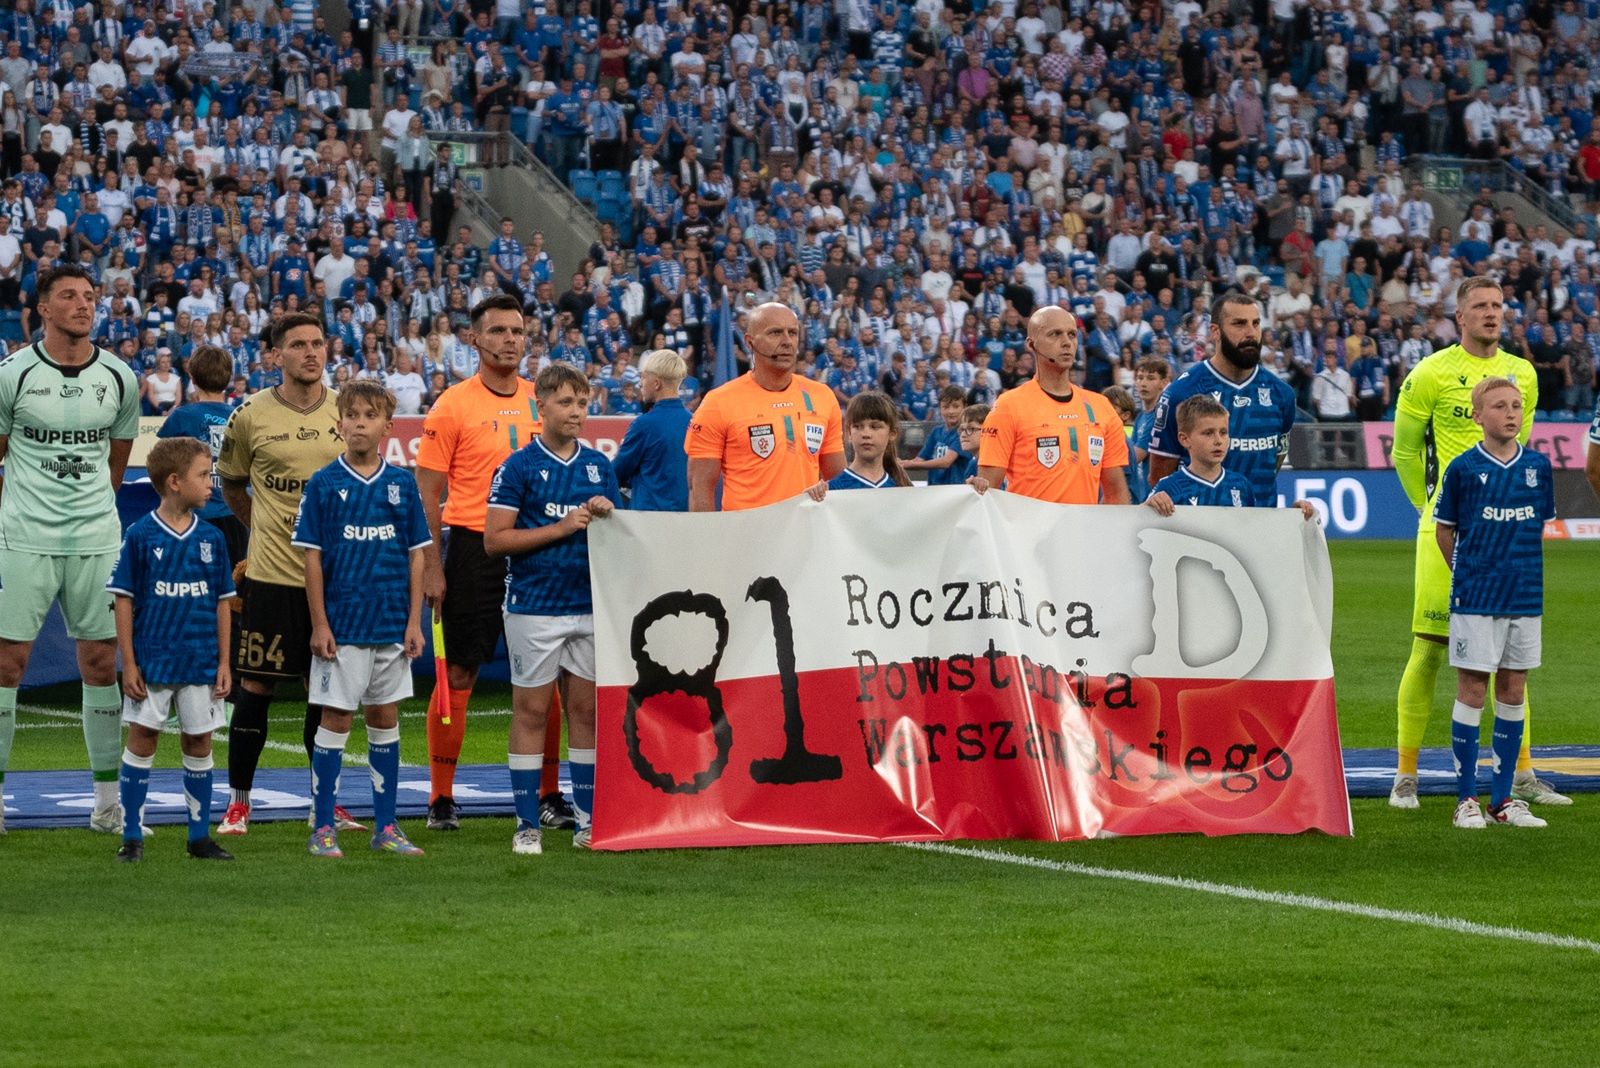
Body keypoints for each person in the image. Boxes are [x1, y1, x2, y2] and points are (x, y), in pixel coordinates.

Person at [1386, 277, 1566, 809]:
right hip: (1445, 535)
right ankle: (1406, 776)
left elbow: (1522, 447)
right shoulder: (1430, 374)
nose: (1491, 314)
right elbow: (1402, 453)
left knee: (1513, 658)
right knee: (1429, 650)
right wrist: (1431, 511)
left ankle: (1523, 776)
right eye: (1480, 307)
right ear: (1459, 316)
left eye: (1498, 306)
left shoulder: (1524, 375)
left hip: (1504, 537)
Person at [414, 294, 576, 832]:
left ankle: (550, 795)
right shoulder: (452, 405)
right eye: (499, 331)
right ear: (475, 339)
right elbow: (427, 491)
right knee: (459, 669)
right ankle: (440, 798)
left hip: (539, 549)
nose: (510, 339)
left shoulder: (544, 401)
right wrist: (434, 566)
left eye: (517, 330)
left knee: (545, 677)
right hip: (471, 547)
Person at [0, 265, 140, 836]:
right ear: (43, 310)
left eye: (89, 296)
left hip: (96, 539)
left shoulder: (119, 377)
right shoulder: (11, 375)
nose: (83, 305)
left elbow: (117, 460)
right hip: (23, 537)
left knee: (102, 663)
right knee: (8, 663)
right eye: (69, 297)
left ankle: (108, 805)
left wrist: (89, 513)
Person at [213, 312, 356, 836]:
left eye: (318, 343)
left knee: (328, 691)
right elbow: (231, 485)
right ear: (276, 355)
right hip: (272, 576)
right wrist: (263, 530)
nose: (311, 353)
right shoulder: (250, 415)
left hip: (337, 578)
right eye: (298, 345)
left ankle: (327, 803)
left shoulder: (348, 410)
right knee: (256, 685)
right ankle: (238, 804)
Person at [484, 364, 620, 853]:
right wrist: (564, 527)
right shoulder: (517, 467)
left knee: (585, 711)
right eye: (566, 402)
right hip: (534, 607)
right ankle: (526, 824)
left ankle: (587, 821)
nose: (577, 412)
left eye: (583, 403)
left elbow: (618, 534)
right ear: (541, 405)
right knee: (532, 711)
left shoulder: (599, 465)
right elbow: (495, 541)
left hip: (586, 605)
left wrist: (608, 514)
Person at [293, 382, 431, 858]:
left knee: (385, 716)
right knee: (335, 718)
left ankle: (387, 825)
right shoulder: (324, 485)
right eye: (350, 415)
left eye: (368, 415)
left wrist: (414, 621)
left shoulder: (402, 483)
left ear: (386, 428)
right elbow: (311, 559)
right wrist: (320, 623)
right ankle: (323, 826)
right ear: (338, 424)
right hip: (344, 626)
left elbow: (416, 556)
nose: (358, 423)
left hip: (391, 623)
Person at [1432, 377, 1554, 830]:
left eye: (1516, 405)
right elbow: (1446, 529)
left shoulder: (1538, 467)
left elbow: (1536, 526)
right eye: (1499, 406)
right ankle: (1465, 799)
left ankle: (1502, 802)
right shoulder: (1463, 469)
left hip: (1524, 595)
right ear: (1478, 415)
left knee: (1514, 689)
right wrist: (1466, 574)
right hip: (1476, 597)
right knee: (1472, 690)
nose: (1510, 413)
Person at [108, 437, 236, 862]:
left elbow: (223, 602)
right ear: (175, 482)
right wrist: (128, 662)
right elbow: (123, 599)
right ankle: (131, 836)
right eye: (204, 475)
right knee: (143, 737)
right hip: (154, 660)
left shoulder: (213, 539)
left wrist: (223, 661)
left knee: (199, 742)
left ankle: (198, 837)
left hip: (200, 661)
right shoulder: (141, 535)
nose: (211, 484)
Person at [686, 301, 844, 511]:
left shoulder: (822, 396)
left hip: (804, 534)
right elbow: (700, 489)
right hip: (747, 537)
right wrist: (708, 541)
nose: (787, 341)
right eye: (775, 333)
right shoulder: (718, 403)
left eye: (793, 333)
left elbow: (839, 482)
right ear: (750, 343)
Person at [1147, 292, 1298, 507]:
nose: (1251, 333)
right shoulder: (1181, 393)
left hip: (1261, 529)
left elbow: (1274, 462)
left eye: (1255, 324)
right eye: (1239, 324)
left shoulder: (1281, 394)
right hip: (1200, 530)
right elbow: (1159, 477)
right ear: (1215, 331)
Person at [973, 306, 1131, 504]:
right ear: (1031, 345)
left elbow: (1116, 494)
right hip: (1029, 532)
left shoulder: (1101, 406)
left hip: (1081, 534)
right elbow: (987, 491)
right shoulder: (1008, 406)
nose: (1066, 342)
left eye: (1072, 335)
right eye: (1055, 334)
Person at [1144, 396, 1316, 518]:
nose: (1218, 441)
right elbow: (1135, 527)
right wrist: (1149, 505)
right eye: (1208, 433)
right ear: (1185, 439)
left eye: (1223, 432)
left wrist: (1293, 517)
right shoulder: (1169, 487)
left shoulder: (1241, 485)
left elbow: (1257, 533)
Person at [156, 345, 247, 566]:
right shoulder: (243, 416)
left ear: (192, 377)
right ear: (228, 379)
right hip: (235, 517)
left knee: (192, 585)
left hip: (193, 518)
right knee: (234, 589)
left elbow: (160, 469)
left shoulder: (181, 417)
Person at [611, 348, 692, 511]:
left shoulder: (644, 424)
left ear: (656, 383)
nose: (640, 382)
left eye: (643, 376)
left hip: (649, 523)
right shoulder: (695, 421)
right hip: (688, 521)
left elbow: (615, 473)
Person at [812, 391, 911, 494]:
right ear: (849, 433)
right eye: (858, 426)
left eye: (875, 427)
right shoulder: (832, 491)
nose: (866, 434)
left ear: (892, 433)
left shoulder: (901, 489)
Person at [901, 385, 968, 484]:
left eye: (956, 406)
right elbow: (920, 459)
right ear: (939, 408)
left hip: (955, 491)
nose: (951, 411)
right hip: (934, 489)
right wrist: (900, 463)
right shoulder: (936, 431)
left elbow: (946, 462)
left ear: (964, 407)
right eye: (945, 407)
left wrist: (907, 464)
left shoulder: (964, 433)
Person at [1130, 357, 1171, 503]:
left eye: (1151, 378)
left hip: (1159, 495)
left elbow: (1135, 456)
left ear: (1164, 382)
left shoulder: (1160, 415)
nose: (1143, 383)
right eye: (1140, 378)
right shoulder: (1141, 416)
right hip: (1143, 493)